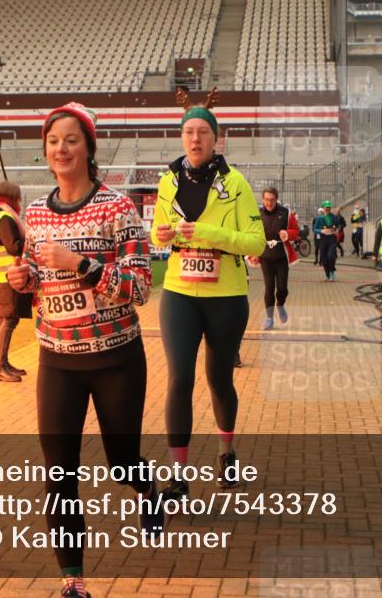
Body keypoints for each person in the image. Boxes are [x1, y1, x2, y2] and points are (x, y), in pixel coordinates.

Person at [6, 102, 160, 598]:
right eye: (53, 141)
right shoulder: (33, 213)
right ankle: (73, 579)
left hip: (116, 359)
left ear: (89, 147)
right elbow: (36, 283)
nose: (61, 149)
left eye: (71, 140)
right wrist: (23, 278)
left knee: (121, 463)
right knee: (59, 473)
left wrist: (82, 264)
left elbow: (138, 288)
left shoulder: (119, 209)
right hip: (57, 360)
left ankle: (147, 488)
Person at [150, 87, 265, 501]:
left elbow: (254, 243)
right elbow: (158, 231)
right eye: (188, 132)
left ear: (217, 138)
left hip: (227, 297)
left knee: (218, 377)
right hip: (179, 292)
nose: (195, 139)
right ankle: (178, 475)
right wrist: (160, 234)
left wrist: (208, 234)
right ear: (181, 138)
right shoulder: (167, 182)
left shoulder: (235, 184)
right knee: (179, 377)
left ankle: (226, 451)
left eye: (203, 132)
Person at [0, 180, 32, 382]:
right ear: (13, 197)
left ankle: (2, 362)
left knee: (3, 320)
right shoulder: (4, 218)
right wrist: (29, 238)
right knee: (8, 320)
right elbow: (14, 247)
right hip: (7, 277)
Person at [248, 187, 299, 330]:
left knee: (282, 288)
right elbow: (250, 234)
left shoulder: (286, 213)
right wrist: (251, 253)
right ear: (262, 199)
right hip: (265, 258)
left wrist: (287, 233)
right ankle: (269, 318)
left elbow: (296, 231)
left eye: (272, 200)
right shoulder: (256, 214)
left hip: (282, 257)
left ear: (276, 199)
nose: (269, 203)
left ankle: (280, 304)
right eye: (266, 200)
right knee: (269, 288)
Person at [313, 200, 339, 281]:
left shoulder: (334, 217)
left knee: (331, 256)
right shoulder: (319, 218)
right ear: (323, 208)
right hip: (323, 239)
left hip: (332, 239)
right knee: (324, 258)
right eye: (326, 207)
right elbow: (314, 229)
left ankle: (332, 272)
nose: (328, 208)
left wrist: (336, 230)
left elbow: (338, 226)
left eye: (329, 207)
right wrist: (321, 231)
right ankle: (327, 274)